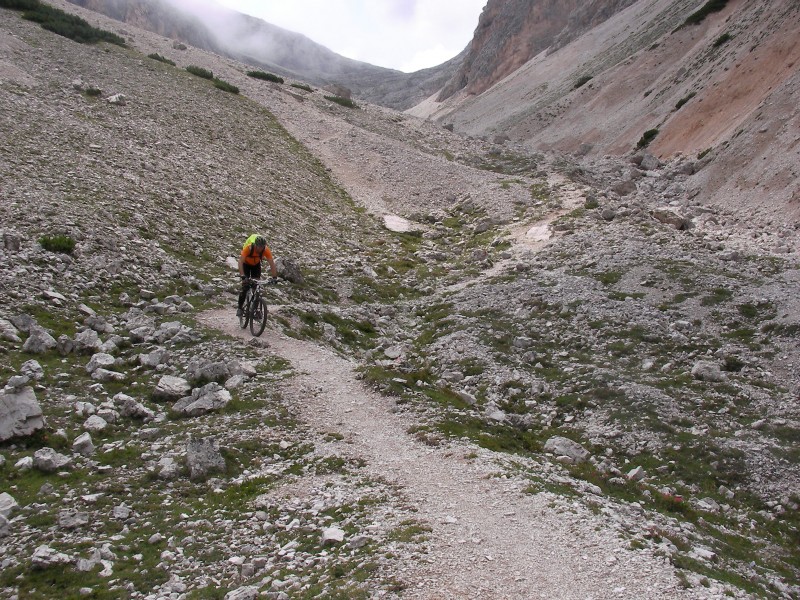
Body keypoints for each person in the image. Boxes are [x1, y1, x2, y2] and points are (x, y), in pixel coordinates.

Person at [238, 234, 278, 316]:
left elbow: (272, 264)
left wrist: (274, 277)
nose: (260, 249)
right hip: (246, 264)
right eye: (258, 246)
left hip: (256, 265)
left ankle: (255, 310)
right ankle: (240, 308)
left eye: (262, 247)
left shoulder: (266, 250)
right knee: (245, 286)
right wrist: (242, 275)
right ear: (255, 245)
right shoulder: (248, 248)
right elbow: (240, 262)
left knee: (256, 286)